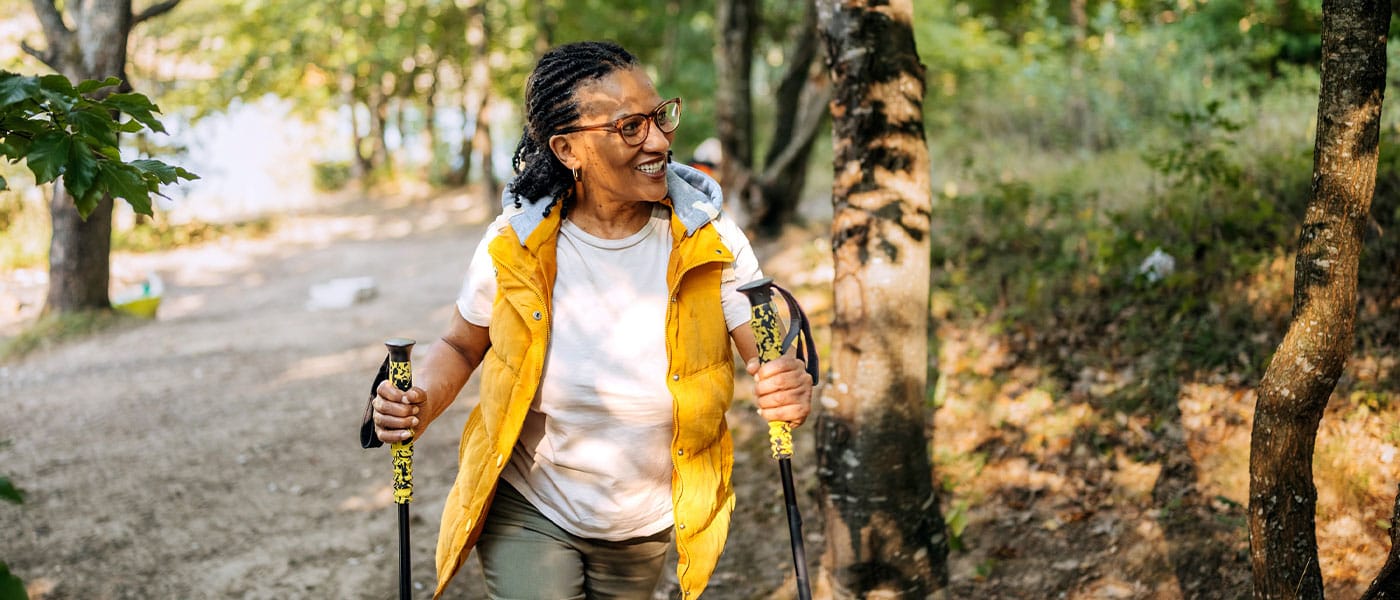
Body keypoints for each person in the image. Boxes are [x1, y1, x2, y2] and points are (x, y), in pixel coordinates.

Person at [368, 41, 814, 600]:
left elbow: (767, 354)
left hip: (646, 519)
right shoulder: (516, 243)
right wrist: (419, 403)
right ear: (567, 149)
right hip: (533, 501)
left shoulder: (712, 240)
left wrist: (786, 384)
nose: (657, 140)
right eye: (629, 127)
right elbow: (461, 345)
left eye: (660, 116)